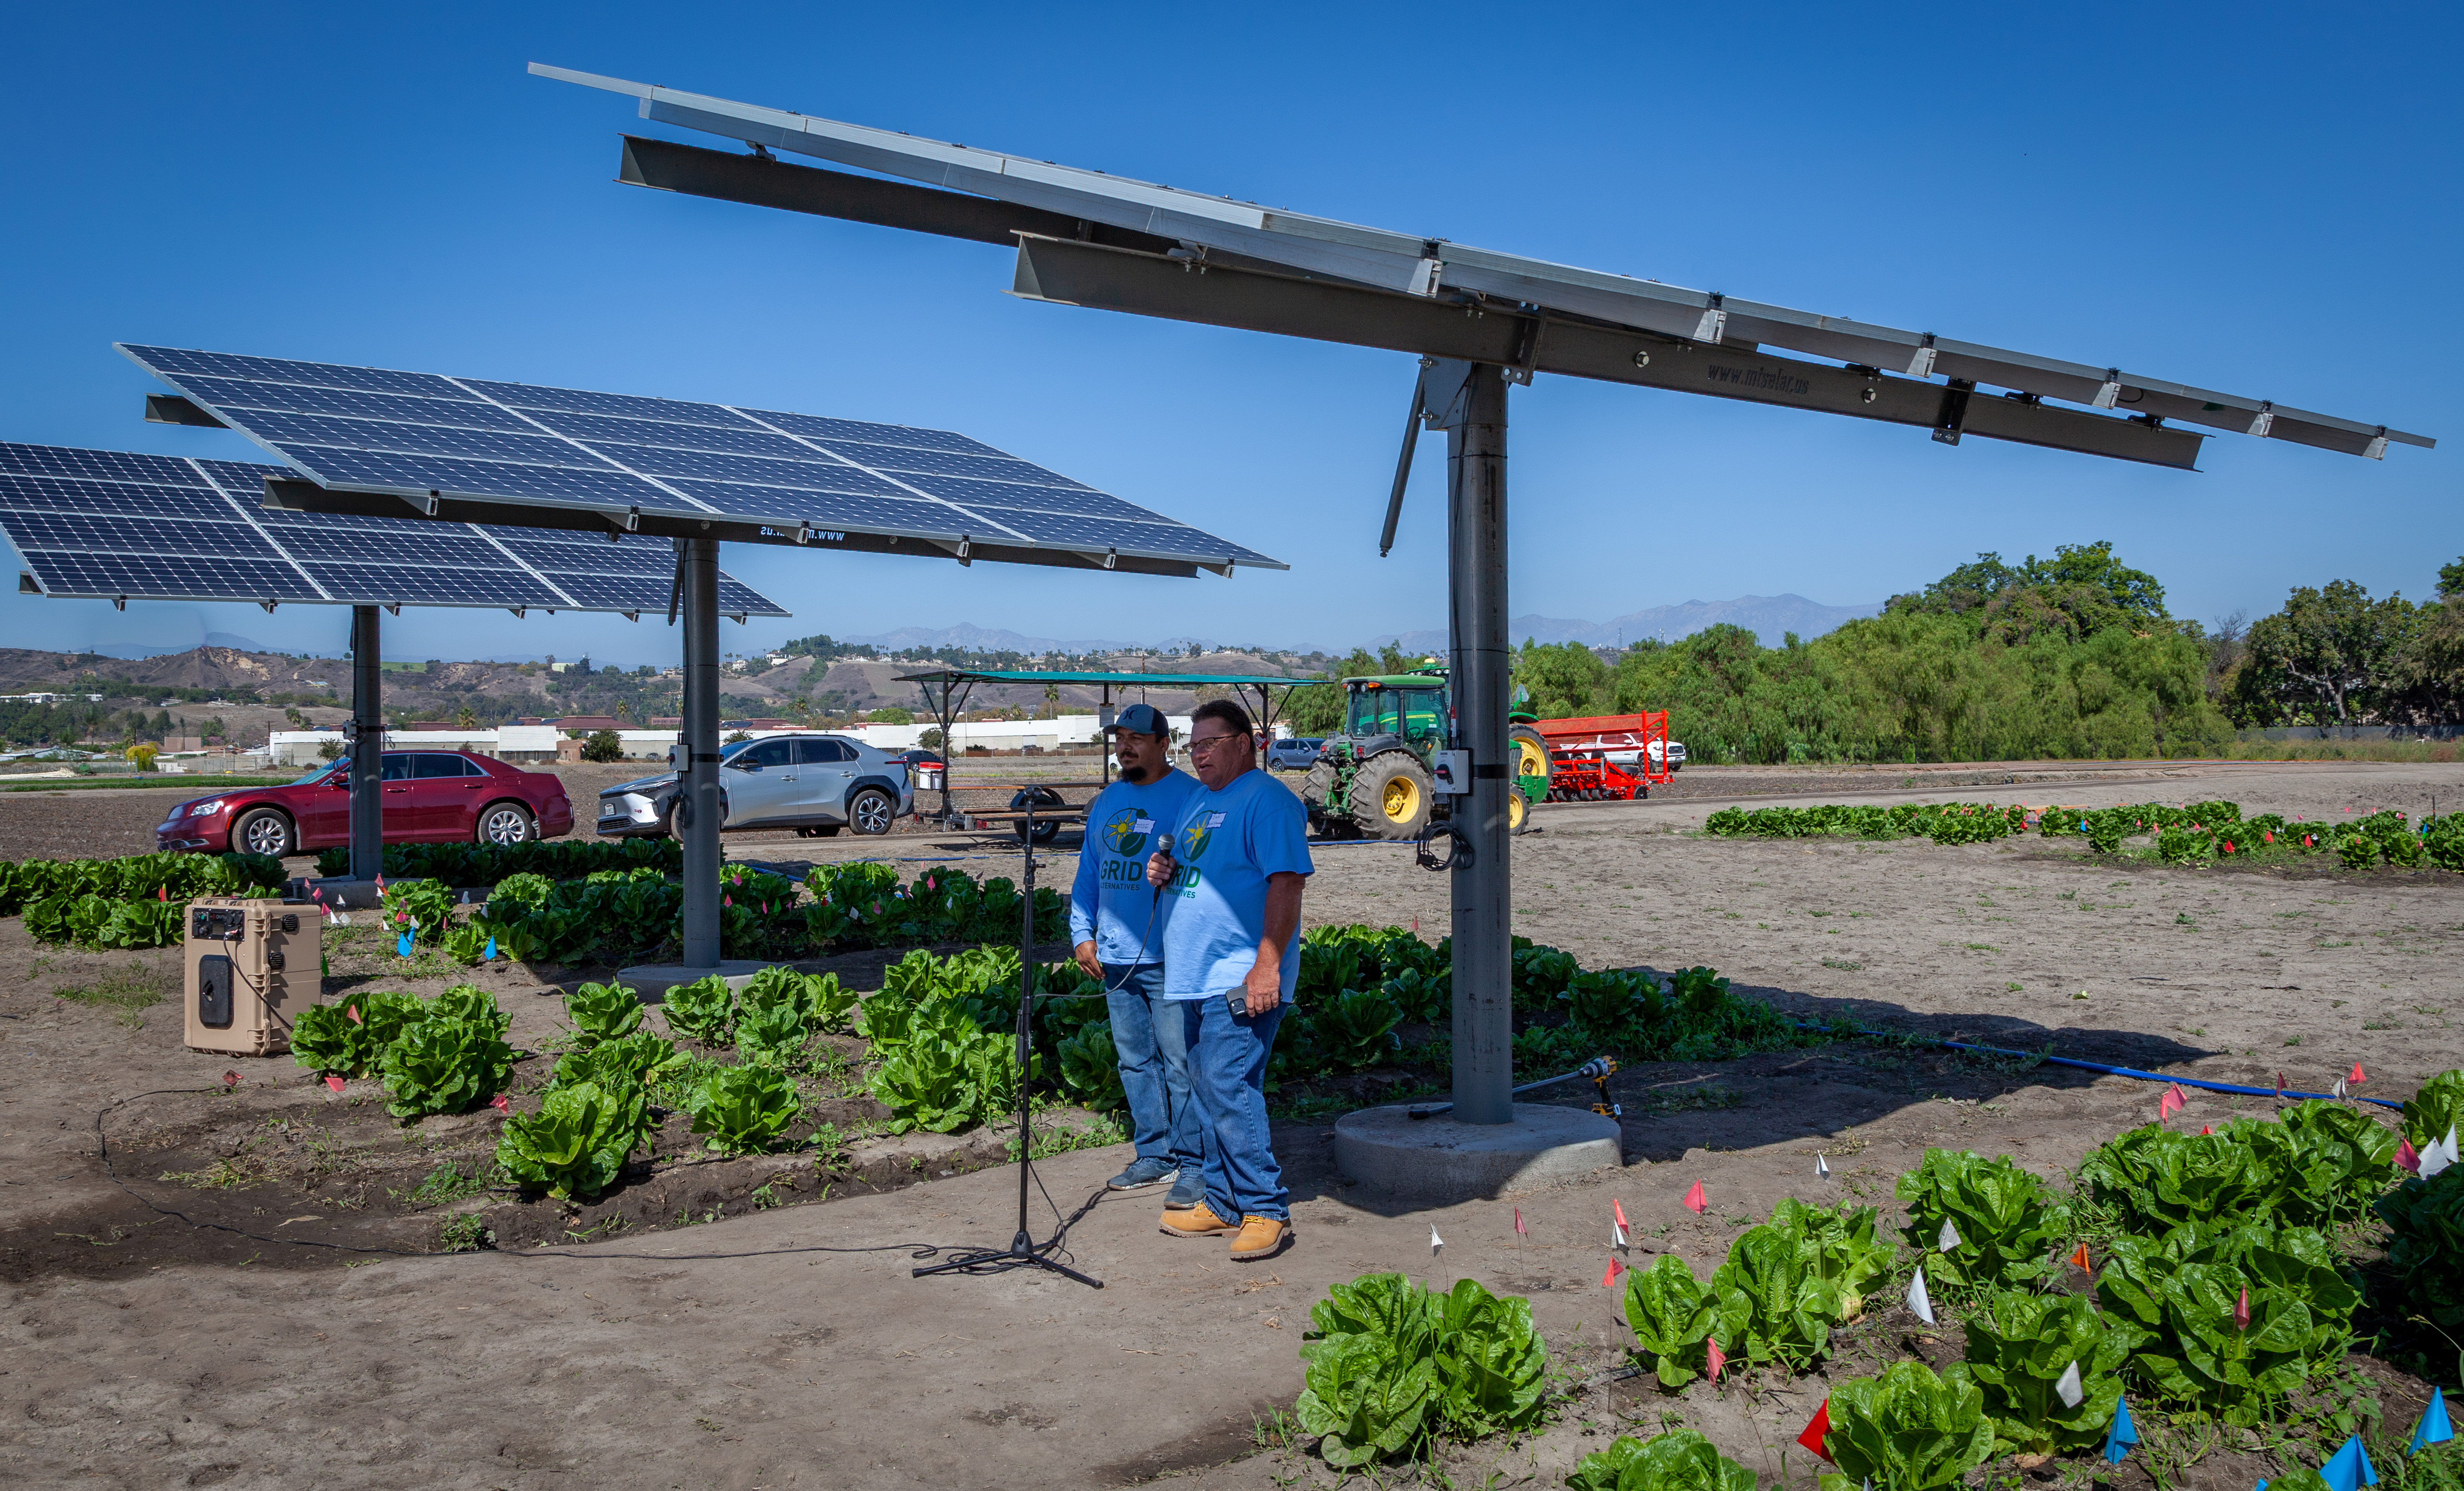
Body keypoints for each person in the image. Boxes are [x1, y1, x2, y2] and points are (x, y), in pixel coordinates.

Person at [1145, 698, 1312, 1262]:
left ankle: (1265, 1207)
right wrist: (1164, 871)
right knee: (1208, 1086)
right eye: (1192, 745)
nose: (1198, 755)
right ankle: (1222, 1201)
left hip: (1239, 976)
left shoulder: (1268, 800)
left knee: (1228, 1086)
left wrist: (1266, 966)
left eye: (1209, 744)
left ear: (1245, 743)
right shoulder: (1198, 800)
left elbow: (1287, 885)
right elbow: (1200, 867)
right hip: (1195, 976)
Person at [1068, 704, 1205, 1201]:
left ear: (1164, 744)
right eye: (1120, 738)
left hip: (1171, 958)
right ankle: (1154, 1154)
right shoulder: (1108, 800)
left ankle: (1195, 1162)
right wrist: (1081, 933)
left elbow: (1207, 870)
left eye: (1137, 739)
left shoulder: (1191, 796)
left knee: (1181, 1062)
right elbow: (1089, 872)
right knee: (1134, 1062)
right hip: (1115, 958)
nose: (1125, 747)